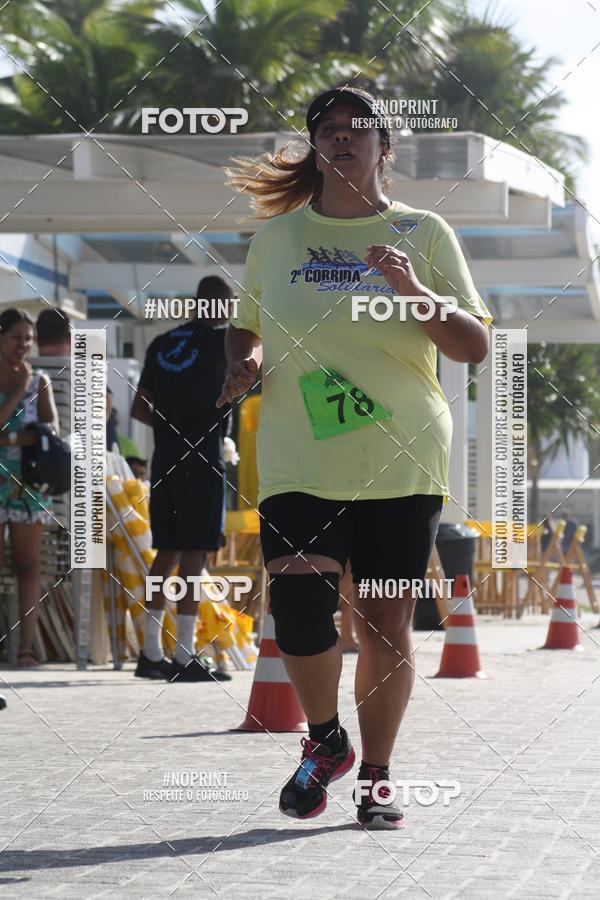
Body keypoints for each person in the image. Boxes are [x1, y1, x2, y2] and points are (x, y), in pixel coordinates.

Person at [218, 86, 492, 829]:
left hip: (400, 458)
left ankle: (376, 777)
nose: (340, 139)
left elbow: (473, 345)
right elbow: (244, 327)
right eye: (327, 130)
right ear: (315, 146)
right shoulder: (276, 240)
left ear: (384, 147)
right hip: (299, 453)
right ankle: (325, 739)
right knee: (300, 609)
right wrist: (240, 363)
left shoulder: (424, 231)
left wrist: (411, 287)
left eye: (356, 128)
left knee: (382, 625)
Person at [131, 275, 236, 683]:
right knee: (194, 558)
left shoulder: (161, 345)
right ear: (222, 306)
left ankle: (150, 652)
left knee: (167, 553)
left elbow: (141, 408)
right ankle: (184, 655)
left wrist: (169, 423)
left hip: (165, 459)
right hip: (204, 458)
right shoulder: (224, 344)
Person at [0, 308, 59, 667]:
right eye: (15, 336)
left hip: (28, 484)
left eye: (28, 338)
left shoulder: (41, 382)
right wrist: (19, 390)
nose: (23, 344)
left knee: (28, 566)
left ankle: (26, 648)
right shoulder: (27, 383)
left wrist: (10, 439)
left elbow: (50, 432)